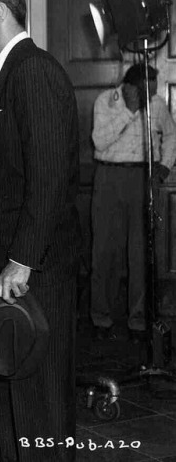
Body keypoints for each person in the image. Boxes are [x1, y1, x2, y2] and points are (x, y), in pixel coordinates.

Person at [0, 0, 81, 462]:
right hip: (13, 269)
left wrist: (24, 258)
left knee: (41, 403)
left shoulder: (33, 71)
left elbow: (49, 176)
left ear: (1, 13)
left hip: (34, 272)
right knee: (15, 394)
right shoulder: (5, 75)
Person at [90, 63, 176, 342]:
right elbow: (99, 142)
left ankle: (138, 319)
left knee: (141, 253)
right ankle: (101, 316)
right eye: (148, 86)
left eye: (155, 86)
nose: (152, 92)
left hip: (142, 177)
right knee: (104, 249)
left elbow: (172, 134)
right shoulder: (107, 101)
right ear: (133, 85)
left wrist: (164, 166)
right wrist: (129, 111)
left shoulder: (158, 105)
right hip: (109, 178)